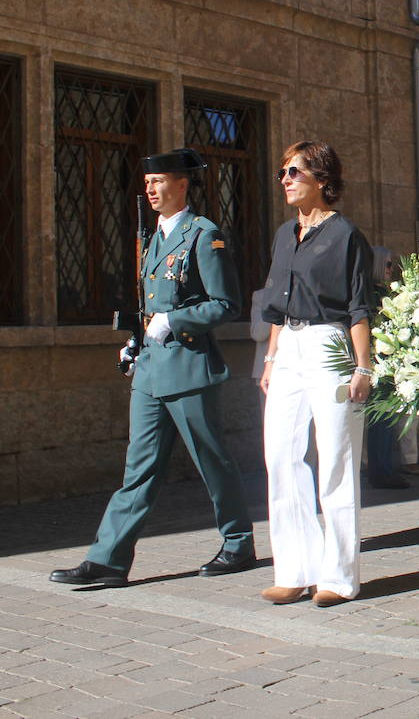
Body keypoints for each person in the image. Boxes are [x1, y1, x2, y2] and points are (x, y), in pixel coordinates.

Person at [50, 149, 255, 587]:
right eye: (147, 182)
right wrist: (134, 342)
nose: (150, 189)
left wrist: (174, 321)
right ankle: (108, 559)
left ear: (182, 184)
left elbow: (225, 304)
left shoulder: (204, 235)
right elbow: (150, 307)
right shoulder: (151, 239)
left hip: (188, 369)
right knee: (137, 471)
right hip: (150, 371)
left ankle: (238, 542)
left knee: (211, 462)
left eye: (159, 180)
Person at [258, 141, 374, 607]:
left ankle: (339, 577)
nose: (285, 179)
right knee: (281, 458)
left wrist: (363, 367)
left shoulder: (347, 235)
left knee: (336, 460)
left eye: (294, 172)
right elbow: (275, 302)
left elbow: (359, 306)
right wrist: (270, 359)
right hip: (288, 345)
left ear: (322, 179)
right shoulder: (285, 234)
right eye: (282, 172)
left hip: (330, 344)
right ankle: (294, 570)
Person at [365, 246, 411, 490]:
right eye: (389, 265)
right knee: (381, 420)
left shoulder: (380, 292)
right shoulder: (375, 295)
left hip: (386, 362)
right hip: (379, 362)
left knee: (385, 420)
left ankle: (385, 468)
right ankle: (382, 470)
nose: (392, 270)